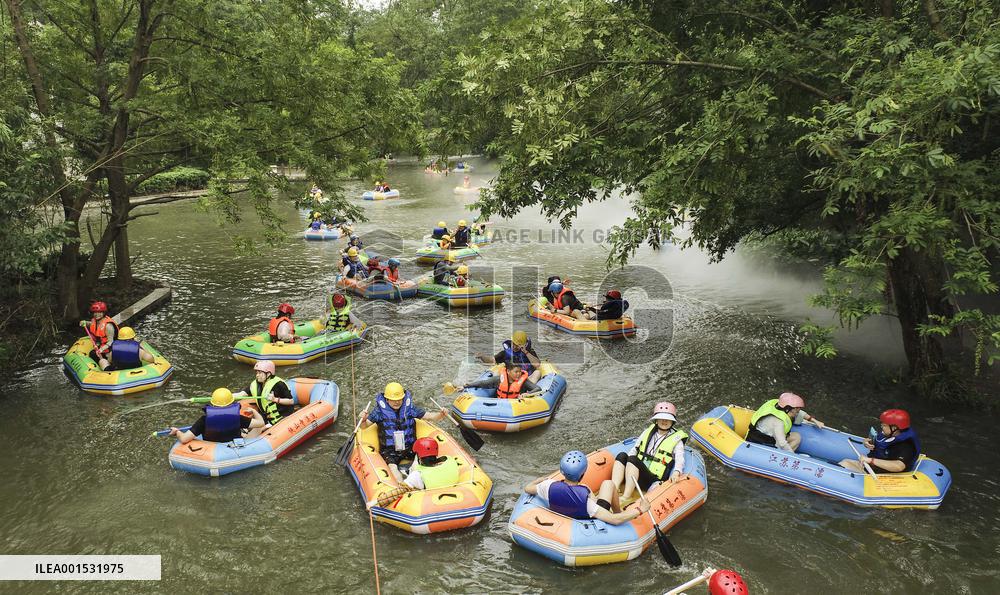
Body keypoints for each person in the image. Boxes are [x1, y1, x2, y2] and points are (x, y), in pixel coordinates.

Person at [524, 451, 648, 525]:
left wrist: (539, 480)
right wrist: (640, 509)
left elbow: (527, 488)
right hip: (589, 517)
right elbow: (614, 520)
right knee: (609, 484)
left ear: (562, 471)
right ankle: (618, 511)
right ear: (582, 474)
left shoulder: (547, 485)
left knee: (598, 485)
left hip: (567, 510)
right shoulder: (587, 503)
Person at [360, 382, 449, 483]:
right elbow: (364, 426)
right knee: (392, 467)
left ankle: (424, 480)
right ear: (387, 399)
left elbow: (429, 416)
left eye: (399, 399)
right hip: (390, 450)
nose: (397, 402)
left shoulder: (409, 409)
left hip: (410, 446)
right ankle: (402, 486)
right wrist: (363, 419)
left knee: (424, 460)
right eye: (393, 400)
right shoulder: (379, 412)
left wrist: (441, 414)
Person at [612, 402, 688, 501]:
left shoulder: (677, 440)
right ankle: (613, 489)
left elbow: (680, 458)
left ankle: (626, 497)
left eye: (668, 419)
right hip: (638, 472)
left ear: (672, 421)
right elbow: (635, 449)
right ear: (656, 420)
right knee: (622, 456)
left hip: (653, 479)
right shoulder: (647, 432)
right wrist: (628, 464)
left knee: (633, 459)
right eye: (661, 418)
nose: (664, 421)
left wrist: (676, 472)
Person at [169, 388, 264, 444]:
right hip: (234, 448)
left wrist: (177, 432)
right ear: (231, 404)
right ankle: (244, 434)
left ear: (213, 404)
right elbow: (261, 423)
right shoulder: (238, 418)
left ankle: (243, 433)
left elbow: (184, 439)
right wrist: (254, 411)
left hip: (210, 448)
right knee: (257, 428)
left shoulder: (204, 420)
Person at [839, 409, 920, 474]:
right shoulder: (890, 434)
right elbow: (880, 445)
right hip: (873, 468)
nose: (881, 427)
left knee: (845, 464)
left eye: (884, 425)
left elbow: (899, 466)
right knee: (845, 462)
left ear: (894, 428)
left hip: (882, 476)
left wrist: (870, 460)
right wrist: (866, 442)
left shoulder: (906, 445)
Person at [745, 392, 825, 453]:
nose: (798, 411)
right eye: (796, 409)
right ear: (788, 409)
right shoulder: (778, 421)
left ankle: (781, 454)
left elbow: (800, 413)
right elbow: (782, 443)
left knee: (796, 437)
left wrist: (814, 420)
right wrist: (793, 457)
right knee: (784, 444)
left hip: (771, 436)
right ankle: (779, 458)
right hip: (761, 441)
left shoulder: (780, 405)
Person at [232, 360, 297, 427]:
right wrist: (229, 396)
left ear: (268, 374)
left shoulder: (279, 384)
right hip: (267, 417)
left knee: (260, 428)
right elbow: (242, 394)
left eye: (260, 373)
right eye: (257, 373)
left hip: (283, 416)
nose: (257, 375)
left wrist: (275, 399)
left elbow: (291, 401)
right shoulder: (255, 384)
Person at [477, 330, 542, 383]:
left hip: (526, 380)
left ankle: (528, 392)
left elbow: (537, 365)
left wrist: (526, 352)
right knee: (496, 373)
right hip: (510, 379)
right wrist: (482, 357)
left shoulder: (529, 352)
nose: (514, 347)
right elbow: (491, 360)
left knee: (537, 373)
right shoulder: (505, 353)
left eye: (517, 345)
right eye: (513, 344)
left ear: (524, 345)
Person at [453, 361, 542, 399]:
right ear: (508, 371)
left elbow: (538, 388)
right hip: (501, 404)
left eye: (520, 371)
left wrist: (527, 394)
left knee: (534, 377)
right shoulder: (499, 379)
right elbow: (483, 383)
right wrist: (465, 386)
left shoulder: (523, 381)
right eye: (516, 372)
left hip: (516, 404)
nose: (519, 374)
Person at [80, 301, 119, 370]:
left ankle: (107, 366)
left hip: (110, 349)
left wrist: (101, 349)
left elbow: (111, 342)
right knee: (92, 354)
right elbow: (92, 324)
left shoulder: (108, 326)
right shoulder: (95, 321)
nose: (96, 314)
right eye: (95, 312)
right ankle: (100, 366)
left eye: (99, 312)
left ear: (103, 313)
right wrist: (85, 323)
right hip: (101, 346)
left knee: (94, 354)